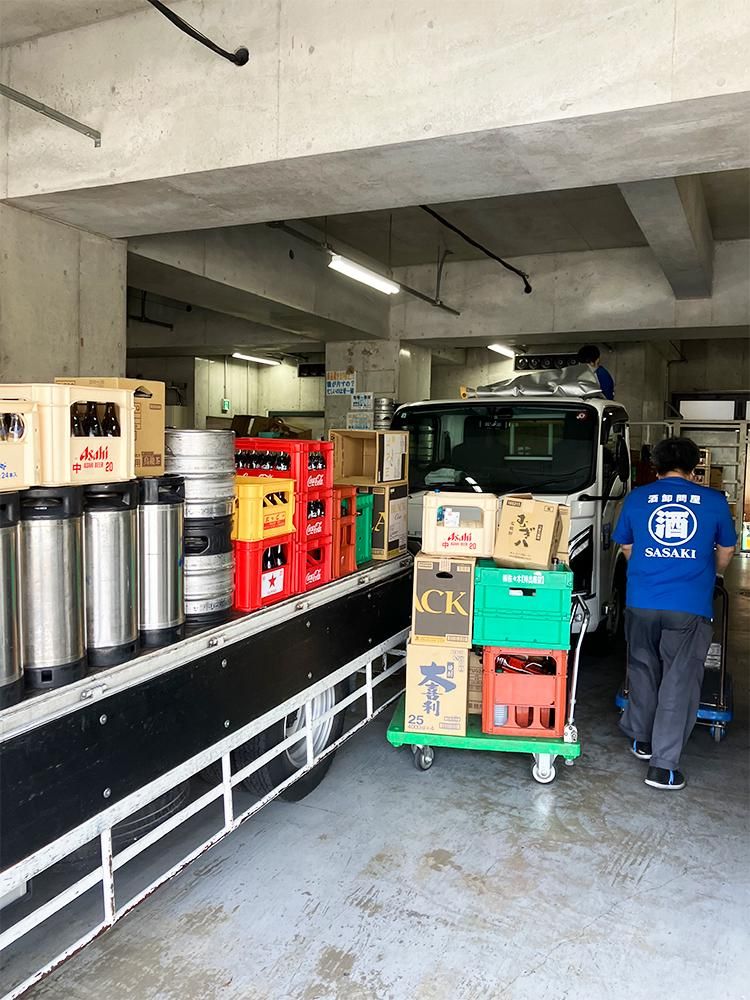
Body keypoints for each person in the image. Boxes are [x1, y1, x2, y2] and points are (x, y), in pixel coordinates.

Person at [612, 437, 736, 790]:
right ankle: (663, 767)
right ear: (694, 467)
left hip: (641, 600)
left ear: (656, 466)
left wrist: (647, 571)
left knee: (642, 669)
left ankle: (642, 740)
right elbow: (727, 549)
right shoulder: (713, 501)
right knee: (679, 680)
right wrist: (711, 574)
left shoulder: (637, 498)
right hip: (689, 604)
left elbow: (626, 545)